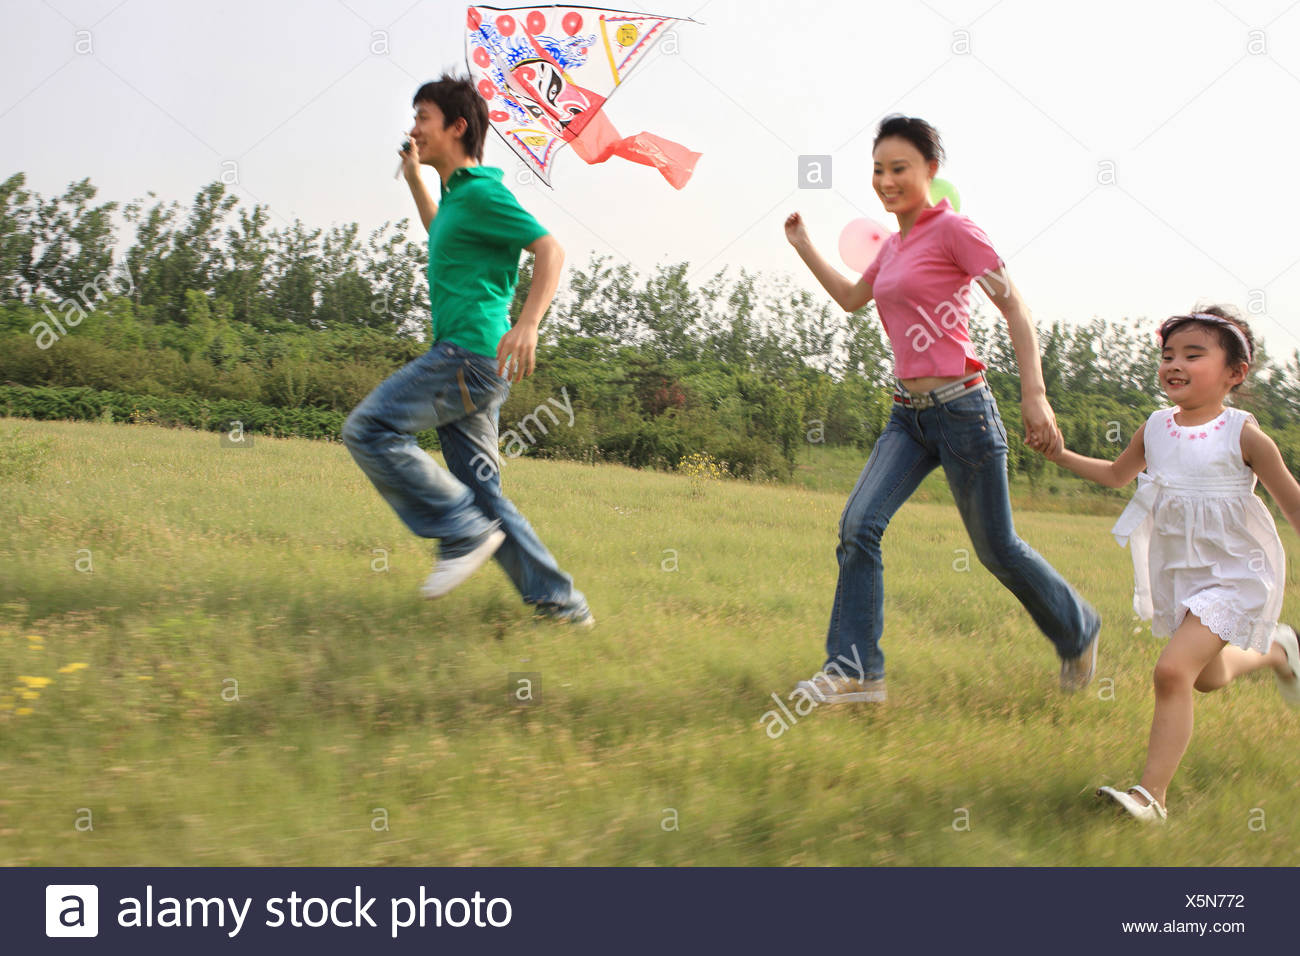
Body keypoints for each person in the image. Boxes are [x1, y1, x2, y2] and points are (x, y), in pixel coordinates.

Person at [782, 114, 1100, 704]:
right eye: (878, 170)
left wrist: (1035, 394)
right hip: (908, 416)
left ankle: (1078, 629)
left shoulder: (956, 231)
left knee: (996, 549)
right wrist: (805, 247)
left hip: (964, 414)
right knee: (858, 526)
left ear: (930, 170)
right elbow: (853, 300)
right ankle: (857, 671)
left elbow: (1016, 310)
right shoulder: (894, 247)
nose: (886, 180)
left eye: (899, 168)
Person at [342, 74, 592, 625]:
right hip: (474, 362)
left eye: (423, 118)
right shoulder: (459, 200)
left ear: (458, 127)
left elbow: (550, 248)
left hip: (468, 358)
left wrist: (528, 324)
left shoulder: (481, 191)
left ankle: (460, 533)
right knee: (484, 495)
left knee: (368, 429)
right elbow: (443, 238)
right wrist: (414, 179)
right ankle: (562, 605)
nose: (413, 129)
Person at [1043, 307, 1300, 822]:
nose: (1174, 364)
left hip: (1237, 574)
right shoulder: (1157, 427)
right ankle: (1279, 650)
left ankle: (1150, 798)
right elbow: (1119, 475)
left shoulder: (1244, 435)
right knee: (1206, 678)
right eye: (1167, 355)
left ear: (1235, 373)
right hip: (1183, 572)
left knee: (1171, 671)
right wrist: (1061, 455)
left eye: (1192, 354)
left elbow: (1293, 504)